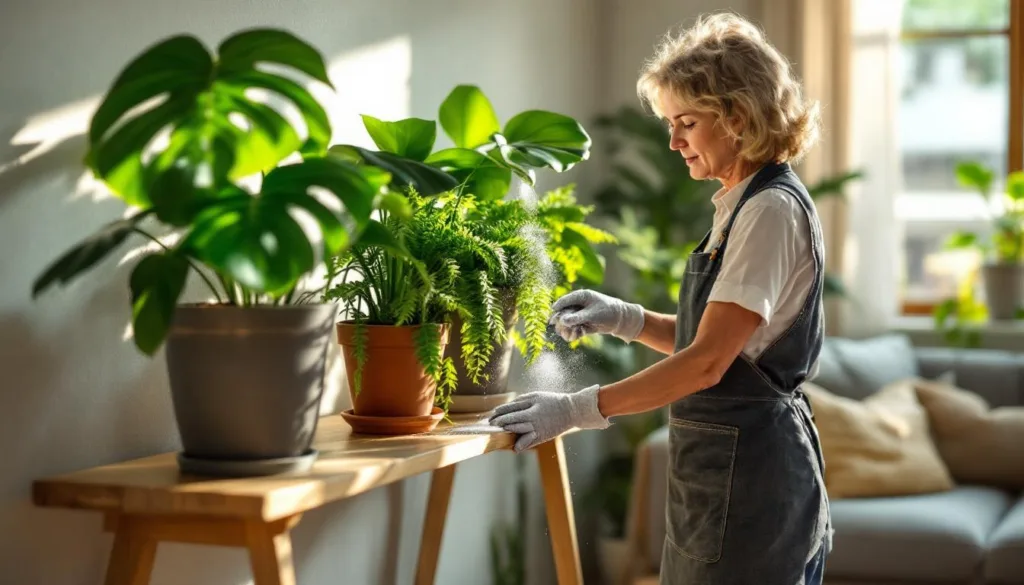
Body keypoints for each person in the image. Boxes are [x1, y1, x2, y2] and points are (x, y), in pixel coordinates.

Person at [488, 11, 832, 585]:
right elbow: (726, 347)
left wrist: (576, 410)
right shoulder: (741, 205)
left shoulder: (770, 211)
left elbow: (706, 363)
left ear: (738, 118)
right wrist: (625, 318)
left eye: (686, 123)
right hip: (722, 479)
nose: (672, 141)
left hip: (753, 483)